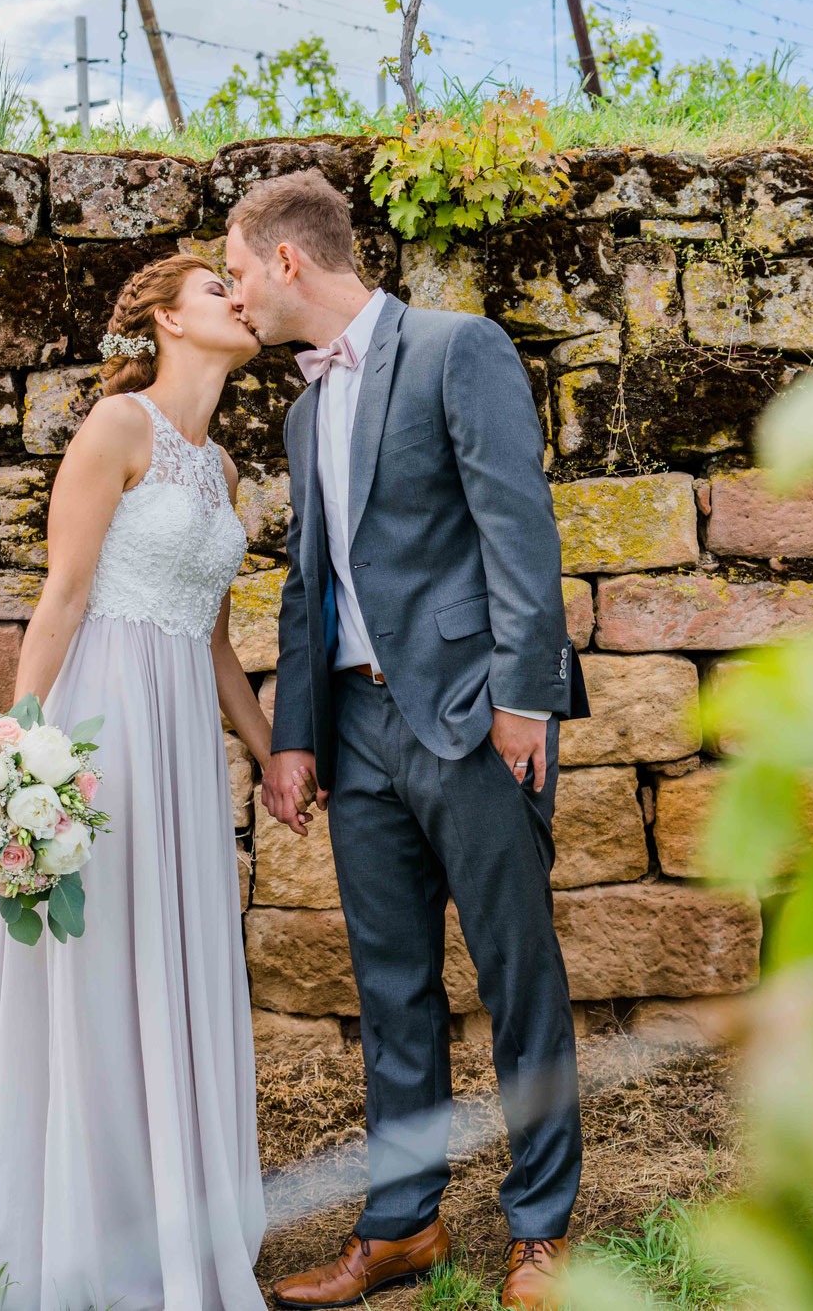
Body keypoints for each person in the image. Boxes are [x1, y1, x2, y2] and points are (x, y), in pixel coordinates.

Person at [225, 170, 589, 1311]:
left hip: (471, 714)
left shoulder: (453, 347)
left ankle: (539, 1231)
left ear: (289, 259)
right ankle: (401, 1225)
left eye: (237, 270)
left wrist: (521, 699)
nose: (234, 296)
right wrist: (292, 735)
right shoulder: (298, 407)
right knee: (390, 988)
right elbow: (306, 581)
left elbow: (516, 532)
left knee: (515, 972)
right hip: (358, 731)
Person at [0, 254, 272, 1311]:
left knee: (173, 955)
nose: (239, 300)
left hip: (181, 739)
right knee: (102, 962)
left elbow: (212, 642)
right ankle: (77, 1236)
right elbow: (63, 593)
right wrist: (18, 751)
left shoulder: (220, 471)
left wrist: (267, 748)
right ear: (166, 318)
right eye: (217, 289)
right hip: (102, 720)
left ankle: (167, 1227)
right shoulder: (116, 429)